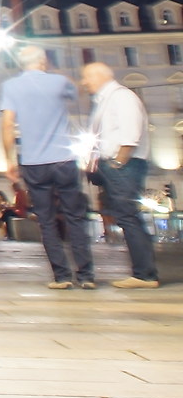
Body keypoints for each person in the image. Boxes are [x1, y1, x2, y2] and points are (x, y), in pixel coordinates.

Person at [0, 45, 94, 288]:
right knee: (75, 216)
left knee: (46, 220)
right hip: (63, 159)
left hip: (34, 162)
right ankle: (86, 276)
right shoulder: (59, 81)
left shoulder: (10, 87)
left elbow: (8, 125)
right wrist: (51, 70)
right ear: (42, 61)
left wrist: (10, 160)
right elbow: (80, 93)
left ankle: (61, 276)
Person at [81, 61, 160, 289]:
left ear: (100, 76)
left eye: (87, 77)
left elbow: (130, 134)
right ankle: (143, 272)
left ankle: (145, 274)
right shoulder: (107, 100)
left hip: (125, 166)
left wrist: (116, 163)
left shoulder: (121, 97)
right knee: (126, 216)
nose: (84, 82)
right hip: (116, 166)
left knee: (128, 217)